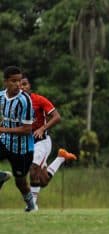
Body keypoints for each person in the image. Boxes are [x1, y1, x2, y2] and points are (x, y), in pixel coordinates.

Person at [20, 75, 77, 209]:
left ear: (29, 86)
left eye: (24, 84)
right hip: (27, 143)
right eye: (19, 85)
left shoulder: (39, 100)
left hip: (42, 142)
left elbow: (57, 117)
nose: (21, 87)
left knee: (33, 167)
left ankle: (33, 205)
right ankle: (61, 158)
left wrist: (42, 128)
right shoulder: (16, 104)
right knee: (43, 181)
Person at [0, 66, 36, 212]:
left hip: (22, 149)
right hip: (4, 141)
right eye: (13, 81)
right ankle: (1, 176)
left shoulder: (24, 100)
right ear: (6, 82)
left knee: (20, 182)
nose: (17, 84)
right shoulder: (1, 96)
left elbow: (27, 129)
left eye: (19, 81)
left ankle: (31, 206)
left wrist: (3, 129)